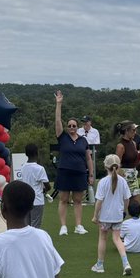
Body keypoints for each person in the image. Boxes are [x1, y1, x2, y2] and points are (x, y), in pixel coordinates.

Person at [54, 92, 91, 235]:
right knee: (63, 199)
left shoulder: (83, 140)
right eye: (69, 125)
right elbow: (57, 121)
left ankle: (78, 226)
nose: (71, 127)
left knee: (78, 200)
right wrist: (59, 104)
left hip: (80, 172)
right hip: (64, 171)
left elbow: (88, 158)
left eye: (74, 125)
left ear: (77, 127)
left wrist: (91, 174)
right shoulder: (62, 137)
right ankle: (63, 226)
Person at [90, 154, 133, 276]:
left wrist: (95, 216)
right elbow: (127, 199)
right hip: (118, 216)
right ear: (118, 166)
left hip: (105, 217)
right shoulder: (123, 181)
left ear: (105, 166)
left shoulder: (103, 182)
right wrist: (125, 210)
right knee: (117, 239)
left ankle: (100, 264)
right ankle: (126, 263)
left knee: (103, 238)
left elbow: (99, 201)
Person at [17, 143, 51, 229]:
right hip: (37, 200)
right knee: (35, 225)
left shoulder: (23, 167)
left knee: (26, 225)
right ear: (37, 153)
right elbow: (47, 186)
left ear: (26, 154)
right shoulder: (40, 168)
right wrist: (44, 190)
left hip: (26, 199)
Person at [115, 121, 140, 208]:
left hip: (133, 175)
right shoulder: (120, 146)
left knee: (136, 205)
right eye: (133, 130)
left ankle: (134, 221)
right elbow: (117, 164)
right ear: (126, 131)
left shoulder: (133, 143)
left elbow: (135, 161)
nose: (135, 132)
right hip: (123, 176)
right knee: (123, 204)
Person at [79, 116, 101, 205]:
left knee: (91, 173)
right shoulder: (79, 131)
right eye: (83, 122)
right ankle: (82, 195)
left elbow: (96, 143)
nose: (85, 123)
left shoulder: (95, 131)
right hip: (81, 154)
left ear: (90, 122)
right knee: (82, 173)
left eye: (86, 122)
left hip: (91, 154)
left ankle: (92, 195)